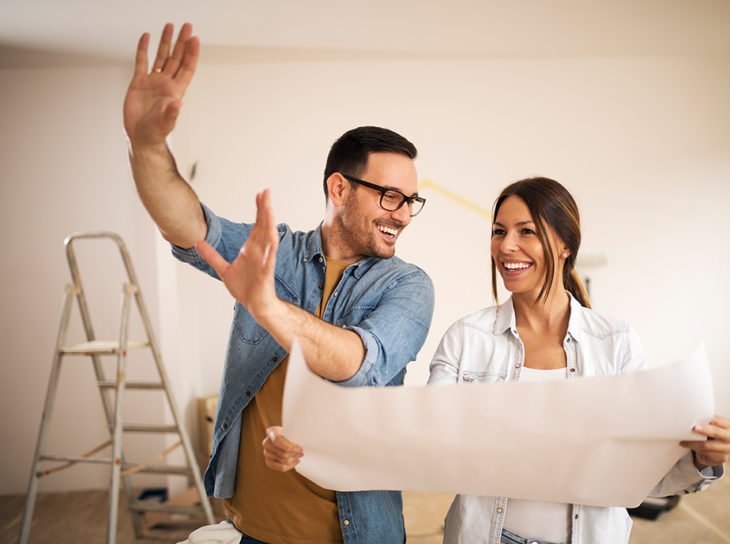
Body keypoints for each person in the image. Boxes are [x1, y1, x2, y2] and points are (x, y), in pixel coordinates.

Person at [123, 23, 435, 544]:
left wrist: (266, 306)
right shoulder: (276, 253)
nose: (403, 215)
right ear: (339, 187)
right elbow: (187, 225)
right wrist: (146, 146)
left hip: (357, 534)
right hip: (253, 531)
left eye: (410, 201)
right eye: (389, 197)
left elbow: (357, 363)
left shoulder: (408, 286)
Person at [428, 177, 729, 544]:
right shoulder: (465, 338)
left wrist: (700, 459)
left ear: (565, 245)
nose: (506, 246)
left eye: (527, 231)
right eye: (499, 231)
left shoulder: (615, 343)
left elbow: (638, 474)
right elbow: (431, 449)